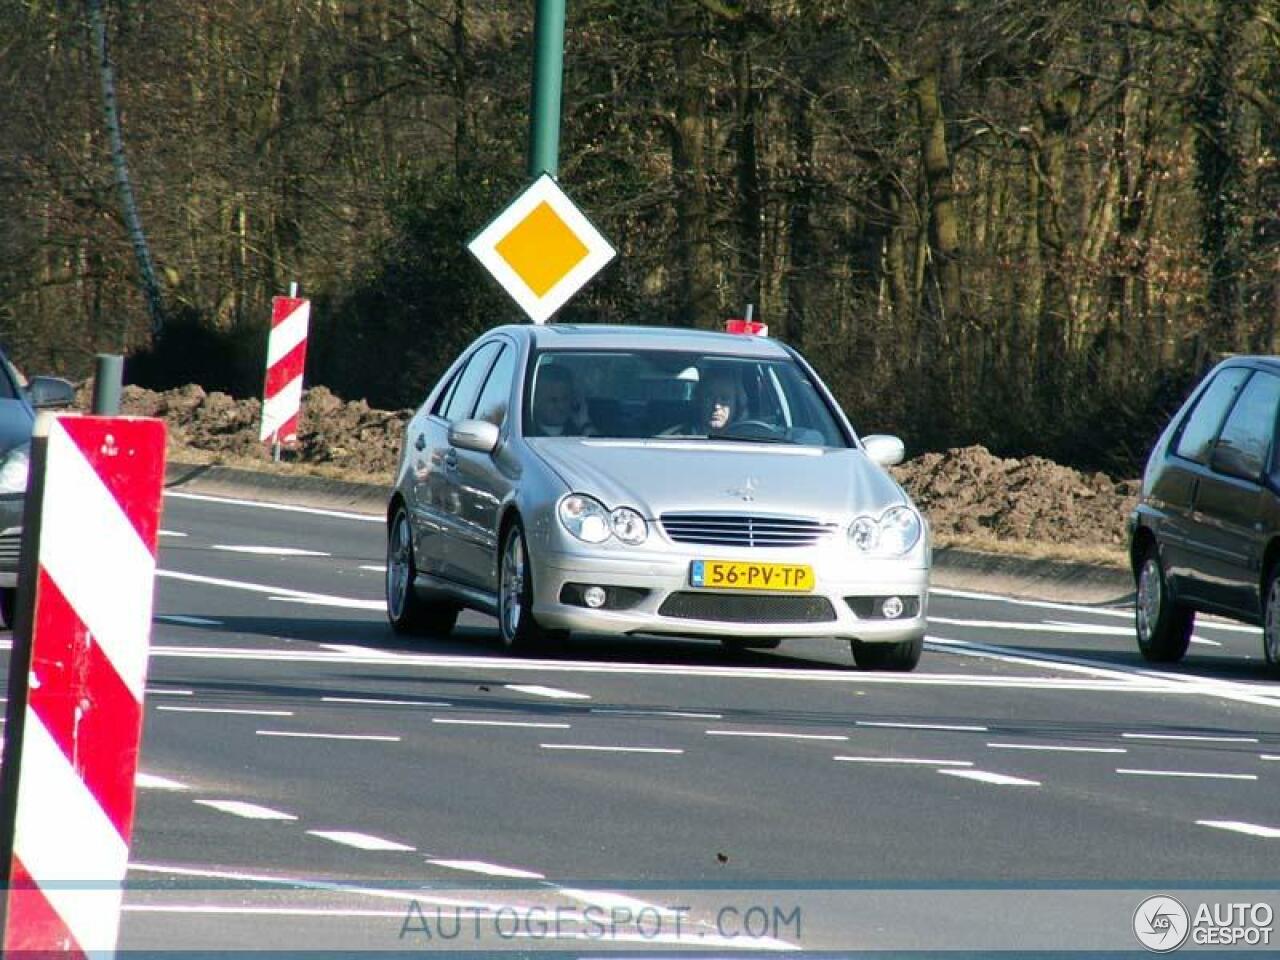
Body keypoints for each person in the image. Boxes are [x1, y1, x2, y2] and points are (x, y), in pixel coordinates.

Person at [530, 364, 596, 436]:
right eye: (553, 400)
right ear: (535, 401)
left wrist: (584, 424)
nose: (561, 406)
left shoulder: (580, 430)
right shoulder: (523, 432)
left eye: (565, 398)